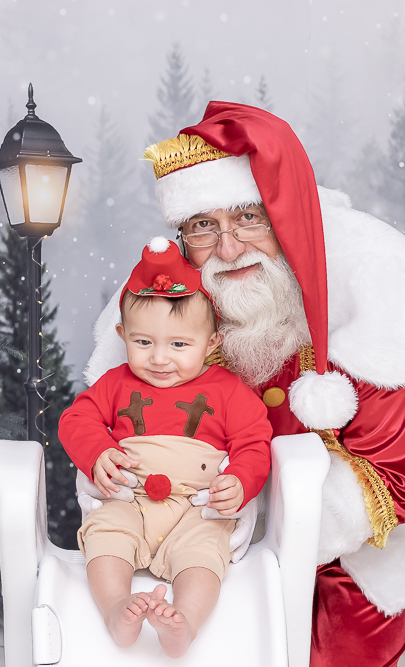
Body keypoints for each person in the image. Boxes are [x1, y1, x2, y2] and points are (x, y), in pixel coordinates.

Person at [83, 103, 405, 667]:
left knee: (335, 650)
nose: (229, 248)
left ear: (284, 214)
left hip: (369, 517)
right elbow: (115, 405)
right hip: (207, 504)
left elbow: (399, 474)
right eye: (203, 226)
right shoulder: (168, 294)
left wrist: (251, 538)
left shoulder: (376, 286)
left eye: (248, 218)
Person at [59, 237, 273, 658]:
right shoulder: (116, 383)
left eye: (178, 345)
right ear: (122, 335)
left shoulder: (228, 391)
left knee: (204, 551)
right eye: (143, 343)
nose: (159, 359)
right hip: (130, 498)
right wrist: (98, 451)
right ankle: (116, 607)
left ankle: (185, 622)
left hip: (198, 505)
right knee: (106, 536)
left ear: (212, 343)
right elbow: (76, 420)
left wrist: (240, 481)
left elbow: (254, 442)